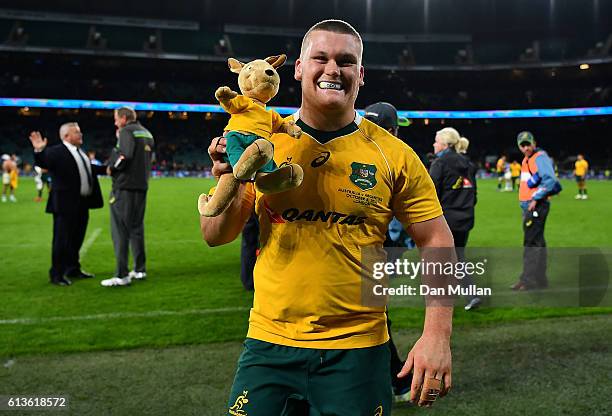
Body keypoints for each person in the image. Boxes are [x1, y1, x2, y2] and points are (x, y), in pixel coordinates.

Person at [201, 20, 454, 414]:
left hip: (358, 350)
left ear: (361, 74)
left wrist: (437, 335)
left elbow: (436, 239)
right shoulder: (263, 142)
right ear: (298, 68)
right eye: (320, 58)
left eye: (346, 61)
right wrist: (230, 179)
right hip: (269, 342)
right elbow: (215, 234)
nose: (333, 69)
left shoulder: (394, 154)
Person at [364, 101, 415, 403]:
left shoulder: (359, 152)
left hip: (374, 251)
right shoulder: (399, 157)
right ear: (393, 129)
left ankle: (397, 381)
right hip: (382, 249)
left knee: (373, 315)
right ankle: (397, 381)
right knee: (373, 314)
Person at [28, 124, 105, 286]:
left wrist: (107, 169)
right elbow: (44, 162)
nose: (81, 133)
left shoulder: (80, 152)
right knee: (62, 240)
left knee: (77, 238)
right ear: (66, 136)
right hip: (65, 204)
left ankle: (72, 268)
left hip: (82, 203)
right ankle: (56, 274)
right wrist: (39, 150)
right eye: (76, 132)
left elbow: (88, 169)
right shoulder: (56, 151)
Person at [101, 107, 154, 287]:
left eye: (116, 119)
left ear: (124, 118)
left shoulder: (126, 131)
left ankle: (122, 275)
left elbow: (124, 156)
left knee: (120, 231)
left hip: (124, 188)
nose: (115, 122)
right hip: (141, 187)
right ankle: (139, 269)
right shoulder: (146, 132)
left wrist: (111, 167)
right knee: (136, 229)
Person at [429, 128, 480, 311]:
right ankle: (465, 293)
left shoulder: (440, 163)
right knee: (457, 257)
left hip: (446, 218)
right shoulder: (467, 163)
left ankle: (455, 296)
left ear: (444, 144)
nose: (434, 144)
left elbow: (430, 193)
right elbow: (474, 195)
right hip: (465, 218)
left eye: (436, 141)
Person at [511, 131, 561, 291]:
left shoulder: (539, 157)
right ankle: (539, 280)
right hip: (531, 206)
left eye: (528, 144)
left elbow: (550, 180)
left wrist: (536, 198)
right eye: (522, 145)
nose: (525, 148)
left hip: (536, 206)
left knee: (531, 243)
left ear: (534, 143)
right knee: (537, 242)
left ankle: (528, 280)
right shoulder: (529, 159)